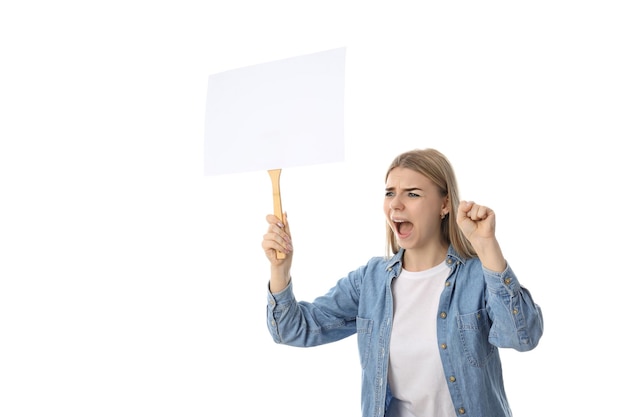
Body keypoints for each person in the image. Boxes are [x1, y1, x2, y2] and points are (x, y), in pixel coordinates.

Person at [262, 148, 543, 417]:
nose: (396, 204)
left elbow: (523, 337)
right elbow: (291, 330)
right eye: (390, 193)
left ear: (444, 204)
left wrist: (487, 247)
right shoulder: (370, 281)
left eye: (412, 194)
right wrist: (280, 269)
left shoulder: (477, 276)